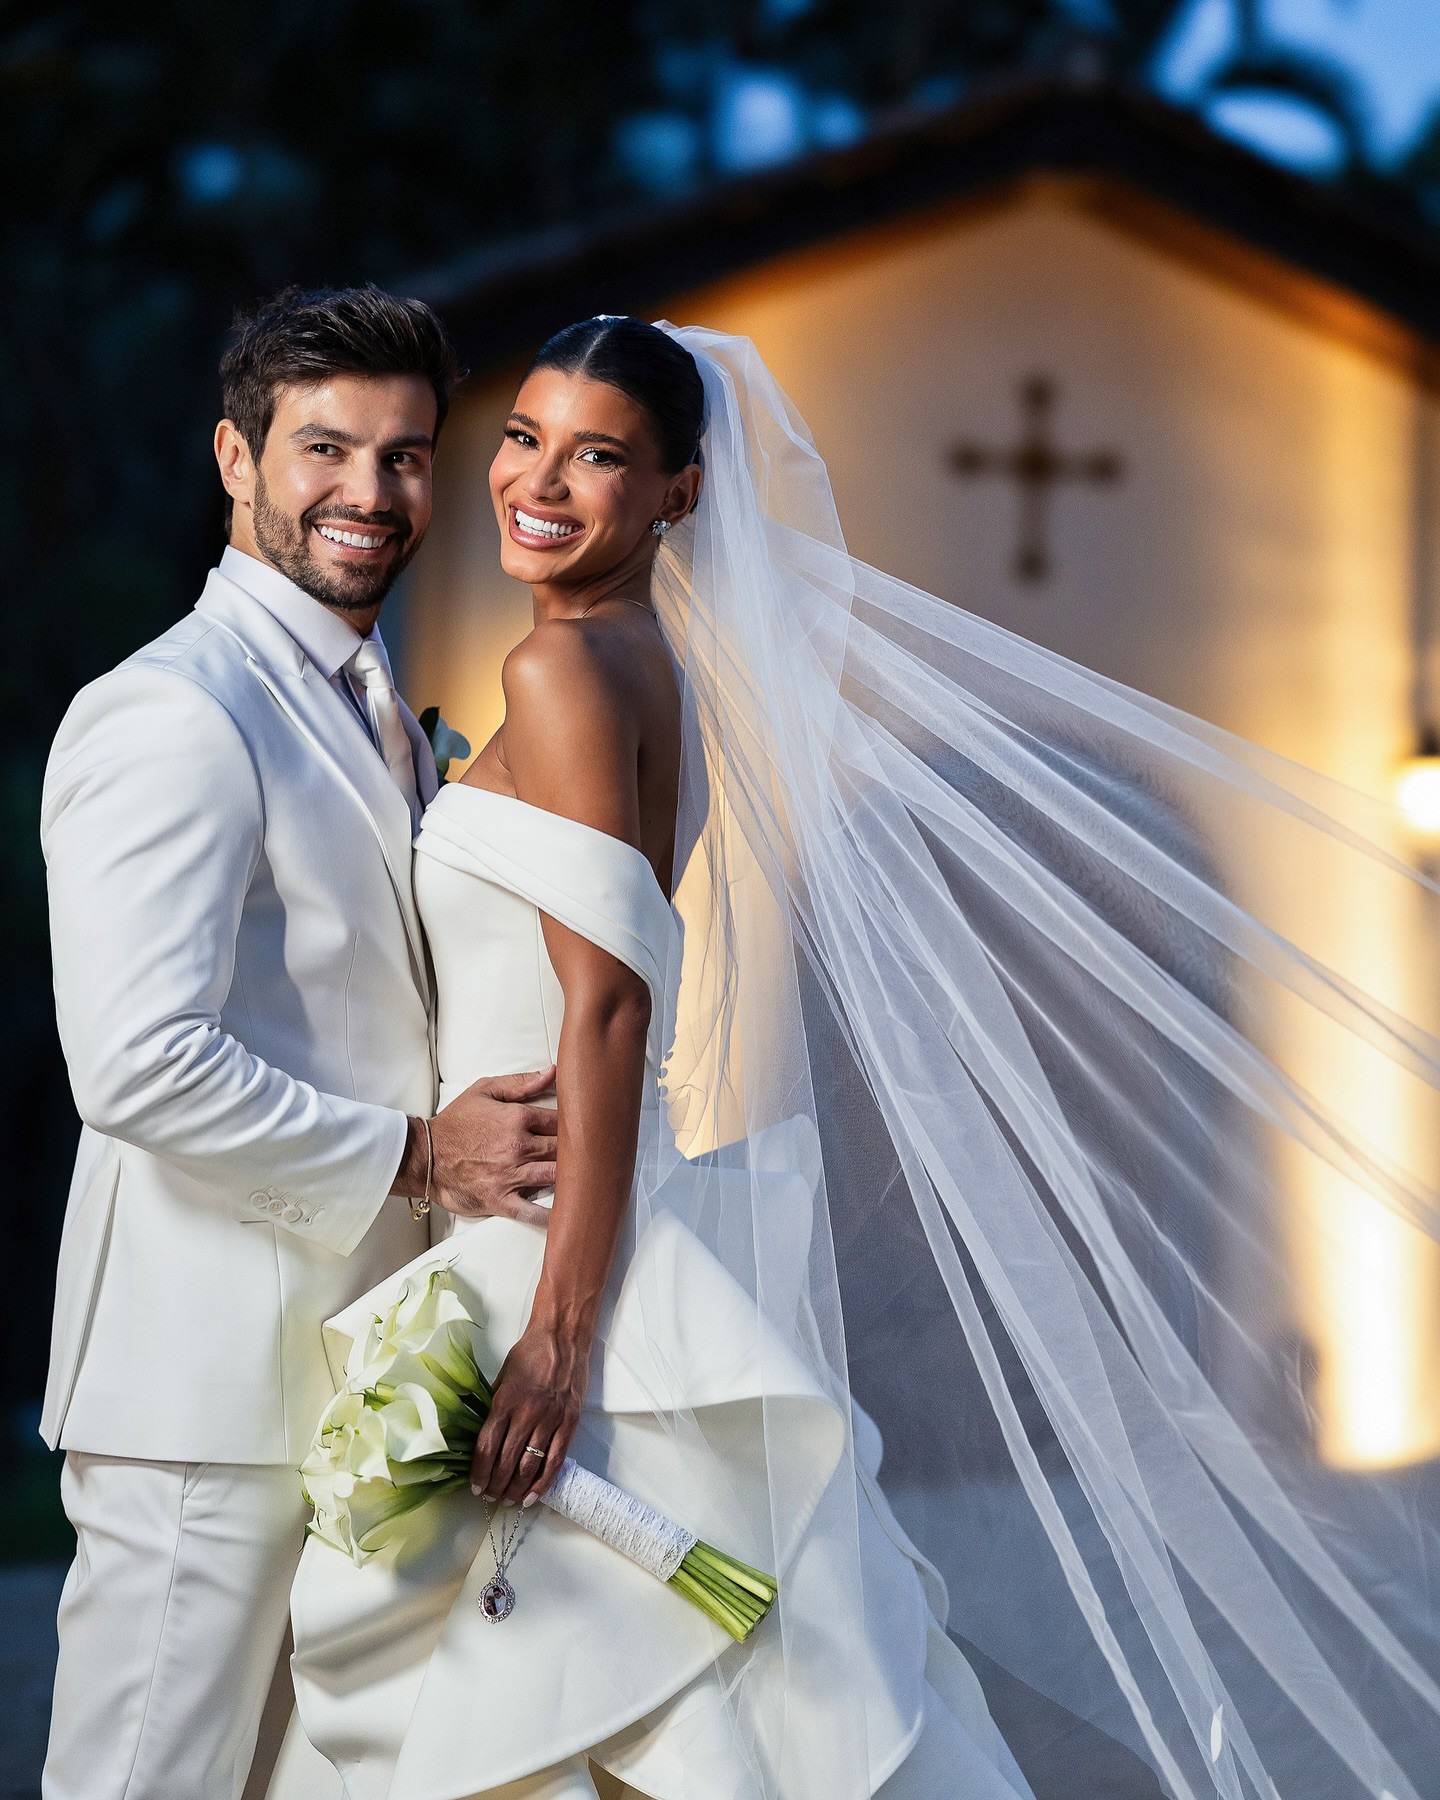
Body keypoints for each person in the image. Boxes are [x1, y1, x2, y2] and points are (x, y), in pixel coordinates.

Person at [285, 316, 1440, 1800]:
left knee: (585, 1685)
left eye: (599, 456)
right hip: (564, 1217)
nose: (540, 481)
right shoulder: (630, 661)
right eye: (523, 437)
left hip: (549, 1235)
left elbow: (612, 1009)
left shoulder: (566, 672)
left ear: (681, 494)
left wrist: (561, 1336)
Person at [39, 287, 563, 1800]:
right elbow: (137, 1059)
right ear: (234, 457)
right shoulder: (172, 712)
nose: (369, 492)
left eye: (406, 457)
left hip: (358, 1377)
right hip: (195, 1390)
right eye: (324, 448)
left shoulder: (382, 710)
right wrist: (419, 1156)